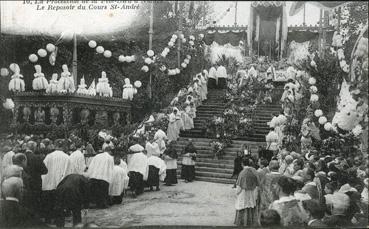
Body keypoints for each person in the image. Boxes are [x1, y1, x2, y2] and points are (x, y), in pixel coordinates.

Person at [41, 139, 70, 223]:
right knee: (59, 204)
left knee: (49, 203)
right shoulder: (66, 157)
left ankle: (48, 219)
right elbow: (69, 171)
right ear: (63, 146)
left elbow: (44, 168)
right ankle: (58, 221)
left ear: (55, 145)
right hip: (60, 184)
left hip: (49, 183)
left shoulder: (49, 156)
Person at [23, 141, 48, 215]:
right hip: (35, 182)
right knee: (35, 202)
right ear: (34, 148)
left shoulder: (21, 156)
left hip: (24, 182)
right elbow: (45, 171)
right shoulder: (36, 158)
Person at [234, 156, 260, 226]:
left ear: (242, 164)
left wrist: (236, 193)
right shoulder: (253, 171)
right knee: (249, 206)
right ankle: (249, 221)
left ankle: (242, 222)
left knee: (243, 206)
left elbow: (239, 186)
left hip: (243, 193)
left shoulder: (242, 173)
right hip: (251, 192)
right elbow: (257, 184)